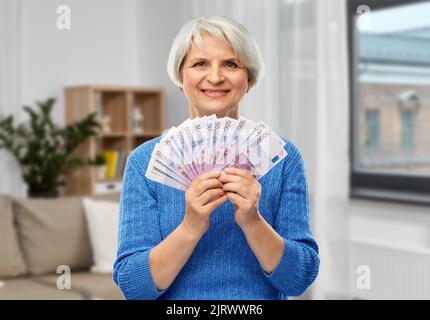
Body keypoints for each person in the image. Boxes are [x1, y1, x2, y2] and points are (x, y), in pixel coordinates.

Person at [113, 16, 319, 300]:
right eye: (200, 64)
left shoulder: (283, 159)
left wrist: (253, 221)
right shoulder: (144, 162)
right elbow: (134, 287)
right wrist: (190, 227)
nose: (215, 77)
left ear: (249, 79)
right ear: (180, 77)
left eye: (231, 64)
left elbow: (299, 279)